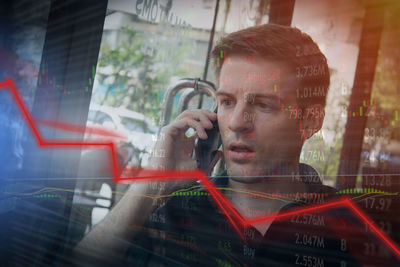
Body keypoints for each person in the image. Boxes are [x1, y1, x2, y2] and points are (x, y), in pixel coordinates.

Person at [72, 24, 397, 267]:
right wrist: (152, 185)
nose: (238, 122)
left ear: (310, 120)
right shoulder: (175, 211)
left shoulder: (351, 229)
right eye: (227, 102)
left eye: (264, 105)